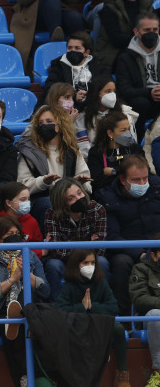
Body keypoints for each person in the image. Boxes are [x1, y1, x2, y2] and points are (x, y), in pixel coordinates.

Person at [0, 215, 50, 387]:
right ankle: (29, 377)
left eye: (18, 233)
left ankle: (23, 379)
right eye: (10, 234)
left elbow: (46, 291)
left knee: (20, 319)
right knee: (14, 324)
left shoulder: (30, 256)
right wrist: (12, 280)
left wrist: (29, 277)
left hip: (29, 308)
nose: (15, 237)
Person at [56, 249, 130, 387]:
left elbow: (114, 307)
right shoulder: (69, 285)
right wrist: (81, 307)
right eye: (85, 263)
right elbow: (60, 310)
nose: (90, 266)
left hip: (99, 323)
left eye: (93, 262)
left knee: (119, 329)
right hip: (77, 325)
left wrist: (92, 307)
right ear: (76, 264)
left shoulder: (101, 282)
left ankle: (122, 375)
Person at [101, 155, 160, 315]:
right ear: (122, 179)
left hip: (157, 246)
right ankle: (123, 317)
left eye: (145, 178)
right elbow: (112, 236)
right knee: (121, 263)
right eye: (136, 180)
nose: (142, 184)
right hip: (127, 251)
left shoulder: (157, 188)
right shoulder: (109, 198)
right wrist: (140, 254)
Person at [16, 105, 92, 229]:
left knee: (94, 206)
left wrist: (80, 183)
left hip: (70, 197)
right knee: (48, 204)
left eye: (49, 121)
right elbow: (22, 185)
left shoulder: (72, 151)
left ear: (60, 124)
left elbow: (88, 186)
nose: (44, 125)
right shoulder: (29, 151)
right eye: (40, 123)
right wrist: (43, 181)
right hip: (41, 200)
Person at [44, 177, 109, 301]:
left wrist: (68, 246)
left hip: (89, 260)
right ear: (62, 204)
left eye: (79, 193)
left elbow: (100, 249)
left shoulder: (97, 209)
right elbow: (56, 252)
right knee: (53, 265)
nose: (79, 198)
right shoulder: (51, 213)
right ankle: (55, 308)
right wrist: (87, 245)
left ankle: (99, 304)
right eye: (71, 198)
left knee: (102, 262)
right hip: (65, 263)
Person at [97, 0, 155, 71]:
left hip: (144, 50)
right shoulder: (110, 8)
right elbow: (117, 40)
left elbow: (154, 33)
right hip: (115, 54)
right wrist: (145, 39)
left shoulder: (147, 5)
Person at [114, 12, 160, 135]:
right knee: (140, 103)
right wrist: (149, 92)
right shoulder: (125, 57)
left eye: (155, 29)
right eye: (147, 30)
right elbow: (124, 90)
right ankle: (136, 145)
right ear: (136, 32)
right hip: (140, 101)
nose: (151, 33)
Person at [76, 74, 139, 157]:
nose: (112, 95)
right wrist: (99, 160)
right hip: (95, 159)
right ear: (96, 93)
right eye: (107, 91)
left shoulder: (124, 113)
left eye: (114, 91)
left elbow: (130, 142)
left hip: (123, 157)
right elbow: (84, 147)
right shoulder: (83, 116)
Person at [43, 31, 109, 105]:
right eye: (70, 48)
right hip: (65, 108)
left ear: (86, 52)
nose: (73, 51)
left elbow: (108, 88)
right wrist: (73, 98)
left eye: (77, 48)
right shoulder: (58, 66)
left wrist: (90, 96)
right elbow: (51, 90)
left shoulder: (97, 65)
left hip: (93, 106)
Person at [128, 233, 160, 385]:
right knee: (156, 315)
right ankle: (158, 372)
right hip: (152, 319)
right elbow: (139, 298)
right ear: (153, 255)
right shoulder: (140, 269)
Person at [87, 111, 144, 193]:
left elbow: (144, 171)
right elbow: (97, 182)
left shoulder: (135, 148)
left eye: (129, 129)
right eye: (123, 130)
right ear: (110, 133)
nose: (128, 133)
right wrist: (129, 174)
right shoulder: (96, 152)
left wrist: (114, 171)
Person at [0, 182, 43, 258]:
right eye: (23, 199)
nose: (27, 202)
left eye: (28, 199)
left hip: (27, 264)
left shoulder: (31, 221)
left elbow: (38, 246)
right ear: (8, 203)